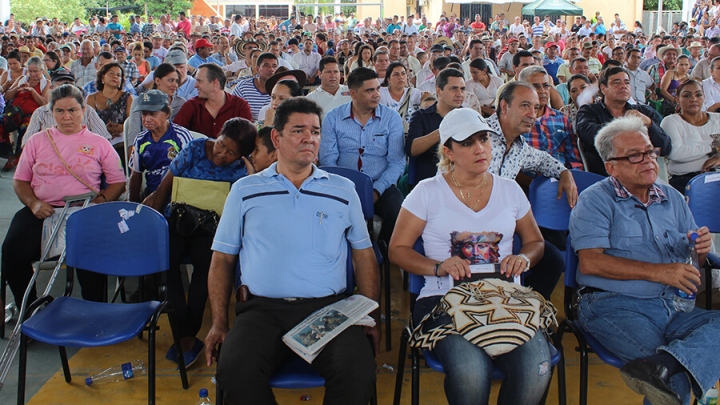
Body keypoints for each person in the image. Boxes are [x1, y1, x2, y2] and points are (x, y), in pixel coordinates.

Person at [204, 97, 379, 404]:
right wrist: (219, 321)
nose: (309, 138)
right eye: (298, 130)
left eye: (315, 131)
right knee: (234, 370)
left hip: (329, 309)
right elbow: (222, 258)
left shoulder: (341, 190)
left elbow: (363, 254)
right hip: (261, 311)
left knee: (358, 368)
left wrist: (369, 314)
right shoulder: (245, 191)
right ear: (276, 137)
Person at [389, 107, 553, 404]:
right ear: (448, 152)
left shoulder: (510, 190)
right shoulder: (426, 192)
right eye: (467, 143)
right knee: (470, 372)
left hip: (505, 300)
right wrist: (438, 266)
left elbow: (535, 242)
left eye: (484, 139)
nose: (480, 149)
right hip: (443, 301)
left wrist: (524, 259)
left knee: (535, 368)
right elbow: (397, 250)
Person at [569, 115, 720, 405]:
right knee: (673, 384)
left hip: (674, 307)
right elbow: (591, 263)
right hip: (614, 306)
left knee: (664, 374)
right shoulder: (595, 201)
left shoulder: (672, 198)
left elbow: (691, 266)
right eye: (635, 155)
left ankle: (666, 364)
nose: (649, 160)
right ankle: (669, 368)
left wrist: (699, 249)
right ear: (611, 166)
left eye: (650, 151)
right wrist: (661, 273)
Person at [2, 84, 126, 308]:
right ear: (51, 112)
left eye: (72, 110)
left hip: (83, 212)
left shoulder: (100, 144)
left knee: (91, 258)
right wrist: (33, 203)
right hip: (42, 210)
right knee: (11, 251)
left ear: (84, 111)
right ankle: (30, 310)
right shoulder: (37, 141)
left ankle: (94, 313)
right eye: (60, 111)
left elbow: (117, 181)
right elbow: (20, 180)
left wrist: (102, 200)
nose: (66, 117)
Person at [145, 117, 254, 368]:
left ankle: (188, 330)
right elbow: (166, 185)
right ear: (218, 135)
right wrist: (156, 219)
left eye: (231, 153)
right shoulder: (196, 148)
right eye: (221, 145)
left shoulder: (241, 168)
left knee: (207, 267)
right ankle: (183, 329)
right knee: (165, 264)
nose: (222, 154)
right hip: (178, 219)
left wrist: (248, 168)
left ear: (241, 155)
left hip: (212, 228)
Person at [320, 67, 405, 245]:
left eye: (377, 89)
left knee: (398, 212)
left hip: (380, 184)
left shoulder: (391, 118)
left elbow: (396, 162)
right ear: (353, 93)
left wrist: (375, 190)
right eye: (369, 90)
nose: (376, 94)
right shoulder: (333, 118)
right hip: (343, 185)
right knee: (326, 215)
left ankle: (382, 251)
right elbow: (329, 161)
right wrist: (346, 188)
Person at [577, 66, 672, 176]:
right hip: (607, 178)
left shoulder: (644, 112)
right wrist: (626, 123)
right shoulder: (588, 111)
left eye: (627, 83)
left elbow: (665, 148)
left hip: (644, 175)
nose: (623, 86)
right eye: (616, 83)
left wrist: (650, 124)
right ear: (603, 89)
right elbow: (588, 135)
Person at [406, 68, 466, 186]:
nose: (460, 94)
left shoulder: (468, 117)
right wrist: (443, 130)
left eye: (462, 89)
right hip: (429, 181)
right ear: (439, 90)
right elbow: (411, 149)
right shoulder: (421, 116)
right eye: (454, 88)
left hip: (462, 181)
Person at [23, 69, 110, 147]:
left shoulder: (87, 110)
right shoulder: (40, 113)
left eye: (69, 84)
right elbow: (27, 144)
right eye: (60, 84)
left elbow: (105, 140)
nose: (66, 87)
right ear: (51, 88)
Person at [661, 80, 720, 192]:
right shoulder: (671, 121)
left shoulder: (717, 119)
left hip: (716, 175)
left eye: (698, 95)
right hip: (684, 180)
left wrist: (719, 157)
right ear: (677, 99)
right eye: (687, 95)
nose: (694, 99)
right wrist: (713, 148)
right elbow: (676, 153)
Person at [174, 63, 252, 138]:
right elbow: (175, 134)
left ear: (215, 82)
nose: (195, 85)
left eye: (199, 81)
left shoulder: (240, 106)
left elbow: (246, 139)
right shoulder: (191, 105)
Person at [2, 56, 50, 170]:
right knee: (0, 123)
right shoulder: (22, 78)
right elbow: (7, 96)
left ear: (42, 71)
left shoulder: (45, 82)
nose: (32, 74)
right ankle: (8, 155)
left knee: (26, 127)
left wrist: (32, 90)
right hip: (14, 112)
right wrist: (17, 88)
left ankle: (18, 156)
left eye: (35, 71)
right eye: (30, 71)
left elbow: (44, 103)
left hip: (31, 115)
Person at [85, 62, 133, 165]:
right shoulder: (91, 98)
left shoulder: (128, 97)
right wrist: (104, 130)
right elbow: (88, 124)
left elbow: (131, 123)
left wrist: (120, 128)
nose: (115, 77)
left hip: (121, 141)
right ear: (102, 77)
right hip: (98, 142)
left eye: (118, 75)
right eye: (111, 73)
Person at [127, 63, 186, 143]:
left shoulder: (181, 103)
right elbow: (133, 135)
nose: (175, 85)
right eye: (171, 80)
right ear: (157, 81)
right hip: (144, 148)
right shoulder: (139, 102)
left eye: (177, 81)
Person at [231, 53, 278, 121]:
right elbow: (232, 114)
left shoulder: (280, 90)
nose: (271, 69)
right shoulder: (242, 88)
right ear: (257, 69)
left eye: (274, 66)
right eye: (267, 66)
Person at [380, 62, 423, 133]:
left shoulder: (415, 93)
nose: (401, 77)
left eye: (403, 74)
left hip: (410, 134)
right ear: (388, 79)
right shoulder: (381, 93)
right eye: (396, 74)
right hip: (386, 133)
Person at [306, 57, 352, 121]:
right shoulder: (311, 99)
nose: (333, 75)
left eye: (336, 71)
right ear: (320, 74)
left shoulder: (352, 93)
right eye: (328, 72)